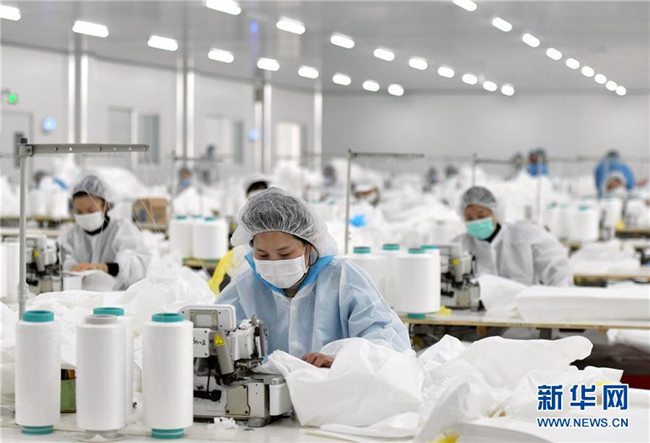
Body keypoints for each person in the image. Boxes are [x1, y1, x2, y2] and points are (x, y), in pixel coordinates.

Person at [217, 188, 410, 367]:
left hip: (333, 386)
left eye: (285, 254)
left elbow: (387, 341)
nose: (274, 262)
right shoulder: (246, 287)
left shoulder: (343, 280)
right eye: (263, 255)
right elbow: (215, 329)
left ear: (309, 246)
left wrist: (341, 360)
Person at [453, 186, 572, 287]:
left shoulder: (525, 236)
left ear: (495, 212)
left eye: (481, 216)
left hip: (522, 305)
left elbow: (556, 268)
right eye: (469, 218)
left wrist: (560, 297)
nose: (476, 222)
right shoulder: (459, 245)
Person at [59, 175, 151, 290]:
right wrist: (73, 270)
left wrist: (104, 268)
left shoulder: (122, 230)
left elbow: (135, 266)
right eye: (79, 212)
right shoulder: (70, 235)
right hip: (80, 297)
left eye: (91, 210)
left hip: (118, 296)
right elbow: (63, 261)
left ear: (105, 206)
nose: (85, 215)